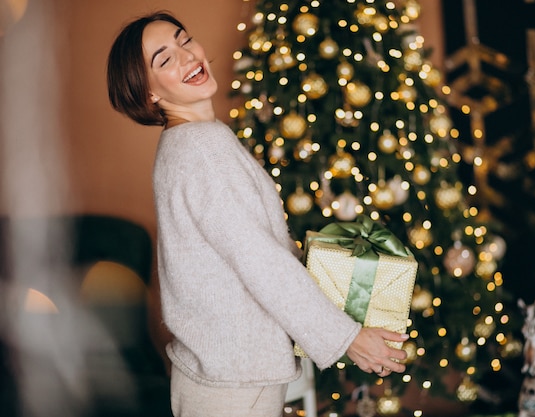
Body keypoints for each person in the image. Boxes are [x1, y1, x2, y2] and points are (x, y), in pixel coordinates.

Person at [106, 11, 408, 417]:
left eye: (184, 40)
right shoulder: (202, 150)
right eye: (164, 59)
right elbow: (259, 261)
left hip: (222, 377)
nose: (187, 55)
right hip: (233, 386)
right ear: (149, 96)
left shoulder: (188, 143)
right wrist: (346, 337)